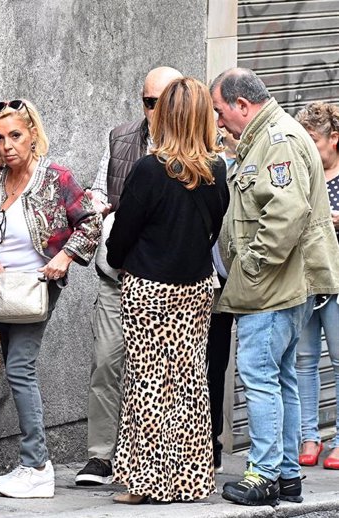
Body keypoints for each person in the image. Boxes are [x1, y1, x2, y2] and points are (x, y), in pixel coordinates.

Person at [211, 68, 339, 506]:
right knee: (281, 375)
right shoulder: (274, 134)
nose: (219, 122)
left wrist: (251, 266)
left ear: (242, 105)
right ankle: (286, 474)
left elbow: (285, 213)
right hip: (285, 285)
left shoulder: (276, 140)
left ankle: (263, 473)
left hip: (272, 286)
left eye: (220, 111)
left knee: (260, 376)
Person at [106, 77, 229, 504]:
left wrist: (123, 258)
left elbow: (121, 235)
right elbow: (213, 230)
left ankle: (146, 483)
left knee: (148, 383)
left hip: (148, 287)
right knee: (190, 382)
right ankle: (190, 480)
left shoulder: (148, 169)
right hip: (196, 287)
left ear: (167, 116)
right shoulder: (217, 170)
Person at [0, 98, 101, 498]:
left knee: (19, 368)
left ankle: (37, 465)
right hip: (1, 288)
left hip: (34, 287)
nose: (7, 145)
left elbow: (90, 221)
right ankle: (31, 463)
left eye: (15, 135)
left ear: (33, 134)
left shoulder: (55, 178)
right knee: (15, 366)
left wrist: (64, 257)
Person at [77, 66, 183, 486]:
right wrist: (100, 212)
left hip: (167, 280)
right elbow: (100, 191)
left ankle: (155, 462)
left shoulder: (197, 145)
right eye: (148, 101)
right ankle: (101, 456)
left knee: (161, 375)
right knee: (106, 363)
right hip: (118, 273)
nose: (154, 109)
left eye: (162, 101)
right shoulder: (121, 137)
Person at [294, 102, 339, 470]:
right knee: (304, 360)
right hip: (305, 279)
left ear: (333, 138)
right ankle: (309, 436)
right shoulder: (302, 172)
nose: (307, 147)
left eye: (313, 140)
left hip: (338, 281)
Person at [207, 127, 238, 474]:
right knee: (211, 364)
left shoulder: (246, 162)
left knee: (221, 363)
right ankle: (209, 443)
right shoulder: (209, 165)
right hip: (209, 281)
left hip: (240, 277)